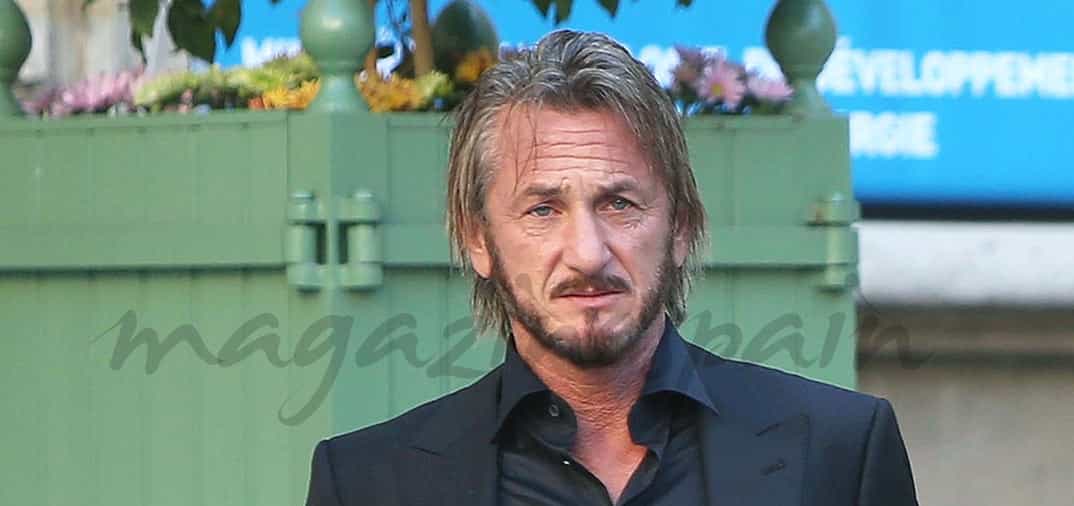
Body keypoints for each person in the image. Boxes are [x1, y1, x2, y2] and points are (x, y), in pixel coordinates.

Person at [304, 30, 918, 506]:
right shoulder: (368, 482)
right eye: (543, 209)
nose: (587, 253)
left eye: (619, 204)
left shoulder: (840, 451)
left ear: (681, 227)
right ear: (478, 240)